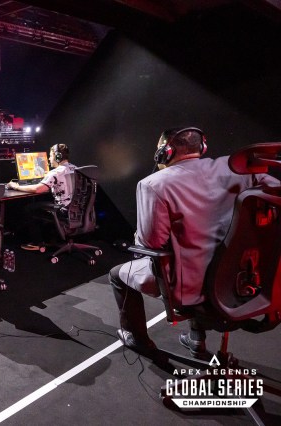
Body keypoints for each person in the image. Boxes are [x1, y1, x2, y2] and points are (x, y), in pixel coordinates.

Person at [110, 127, 278, 357]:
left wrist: (138, 238)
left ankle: (138, 340)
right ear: (202, 147)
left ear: (165, 152)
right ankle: (196, 339)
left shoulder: (154, 184)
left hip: (191, 287)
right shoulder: (239, 168)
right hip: (245, 276)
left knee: (118, 275)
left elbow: (152, 244)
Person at [6, 143, 76, 250]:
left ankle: (37, 243)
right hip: (76, 211)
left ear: (58, 157)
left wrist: (16, 186)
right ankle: (51, 238)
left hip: (63, 211)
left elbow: (37, 189)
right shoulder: (76, 169)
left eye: (51, 156)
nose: (49, 159)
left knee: (29, 208)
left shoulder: (55, 172)